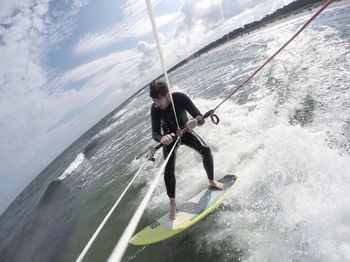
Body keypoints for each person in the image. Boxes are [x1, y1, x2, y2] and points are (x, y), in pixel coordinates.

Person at [150, 80, 224, 220]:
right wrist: (161, 138)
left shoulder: (179, 98)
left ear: (168, 95)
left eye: (159, 99)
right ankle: (172, 203)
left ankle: (212, 180)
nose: (156, 103)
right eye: (154, 100)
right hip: (170, 139)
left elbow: (200, 117)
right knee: (169, 168)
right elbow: (154, 132)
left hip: (186, 132)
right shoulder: (155, 109)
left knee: (206, 150)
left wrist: (195, 121)